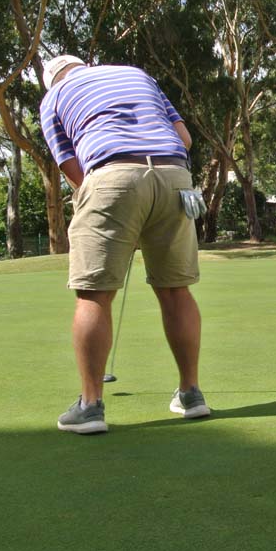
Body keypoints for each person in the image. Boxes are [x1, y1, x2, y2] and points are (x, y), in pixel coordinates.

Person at [39, 54, 211, 434]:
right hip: (175, 176)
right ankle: (191, 394)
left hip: (112, 173)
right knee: (175, 290)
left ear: (52, 79)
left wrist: (109, 200)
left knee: (94, 295)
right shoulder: (136, 74)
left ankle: (90, 407)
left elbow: (70, 165)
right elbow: (184, 139)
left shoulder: (53, 97)